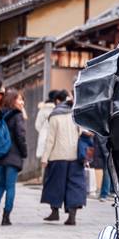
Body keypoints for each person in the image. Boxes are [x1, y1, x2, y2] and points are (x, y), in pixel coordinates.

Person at [40, 89, 86, 225]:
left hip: (57, 156)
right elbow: (83, 133)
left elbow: (50, 140)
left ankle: (54, 213)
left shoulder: (55, 116)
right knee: (75, 185)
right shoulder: (76, 114)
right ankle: (72, 215)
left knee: (55, 185)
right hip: (75, 156)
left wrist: (44, 158)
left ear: (58, 102)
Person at [0, 89, 27, 226]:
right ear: (12, 100)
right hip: (13, 156)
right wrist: (24, 152)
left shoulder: (0, 115)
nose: (22, 102)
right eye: (19, 99)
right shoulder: (17, 116)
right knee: (10, 187)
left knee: (0, 185)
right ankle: (6, 217)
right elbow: (20, 136)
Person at [34, 90, 58, 162]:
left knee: (44, 164)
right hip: (56, 139)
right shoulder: (59, 109)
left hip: (44, 138)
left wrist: (43, 131)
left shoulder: (43, 109)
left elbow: (37, 125)